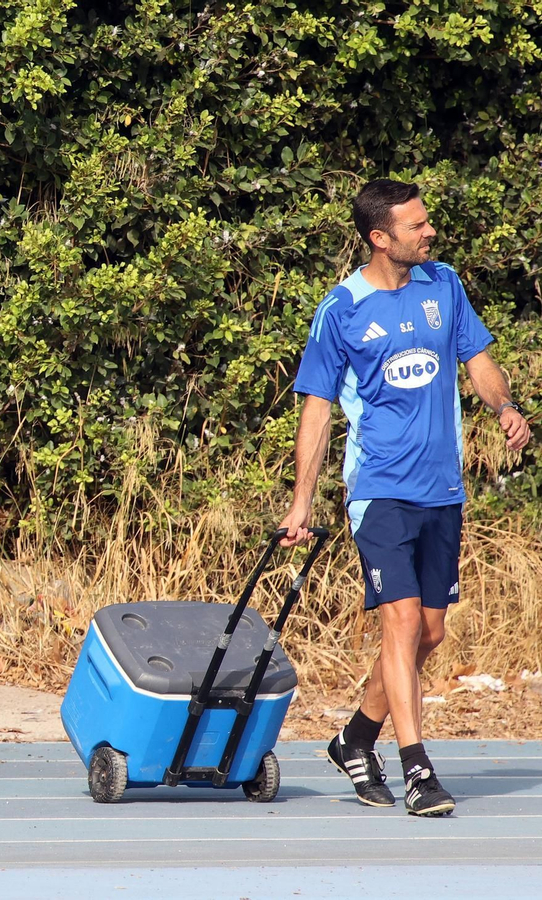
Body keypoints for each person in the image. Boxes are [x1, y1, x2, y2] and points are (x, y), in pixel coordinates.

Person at [279, 178, 530, 817]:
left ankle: (356, 737)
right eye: (417, 226)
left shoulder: (442, 285)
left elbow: (477, 358)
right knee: (401, 619)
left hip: (441, 488)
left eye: (427, 222)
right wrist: (302, 501)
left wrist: (503, 406)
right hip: (379, 489)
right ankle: (417, 767)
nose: (430, 232)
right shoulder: (342, 309)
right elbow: (316, 410)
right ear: (379, 238)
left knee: (431, 631)